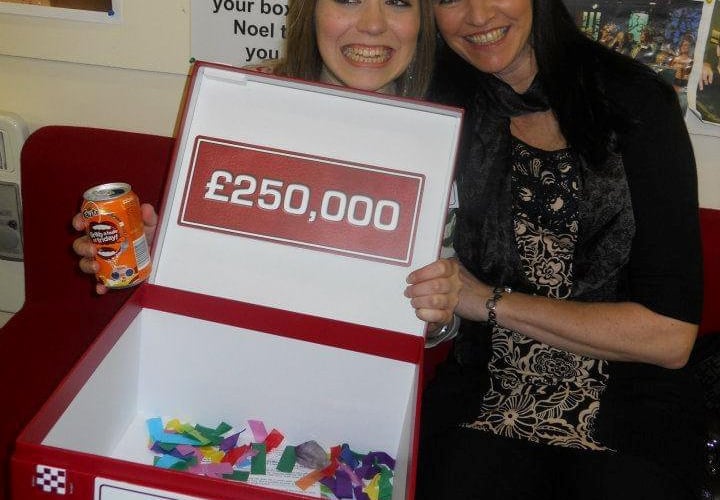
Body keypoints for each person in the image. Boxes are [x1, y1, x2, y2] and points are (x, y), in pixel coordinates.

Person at [416, 0, 704, 497]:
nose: (477, 15)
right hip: (484, 395)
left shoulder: (636, 104)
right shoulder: (440, 104)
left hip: (625, 405)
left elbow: (670, 337)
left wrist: (487, 300)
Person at [72, 0, 461, 338]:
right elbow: (214, 273)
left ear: (421, 22)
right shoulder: (243, 100)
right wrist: (162, 249)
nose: (374, 24)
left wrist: (438, 315)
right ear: (310, 11)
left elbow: (431, 326)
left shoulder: (439, 140)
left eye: (397, 2)